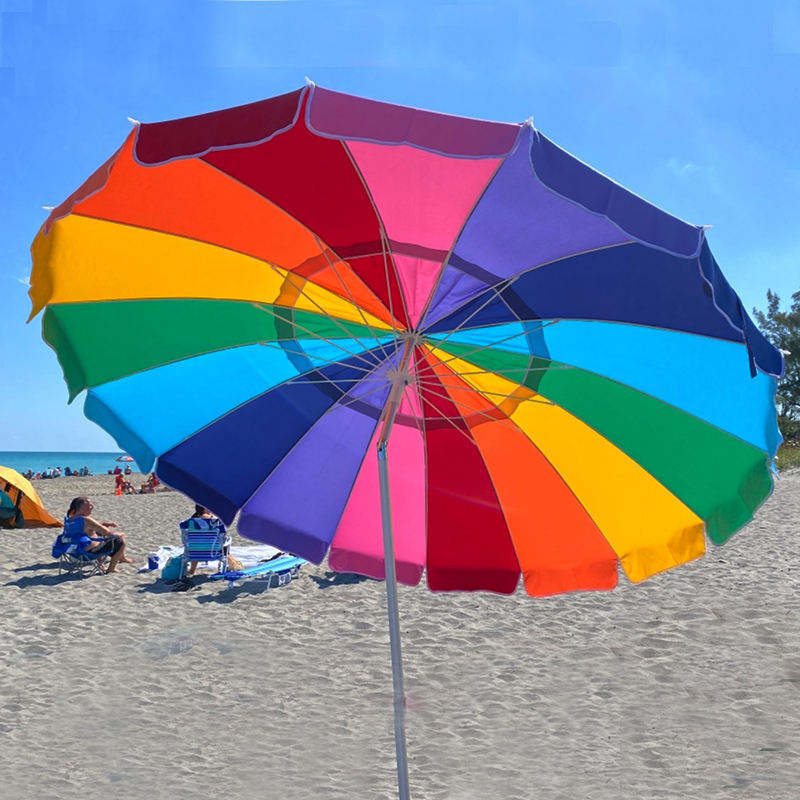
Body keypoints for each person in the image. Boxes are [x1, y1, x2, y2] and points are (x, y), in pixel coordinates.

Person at [65, 496, 134, 573]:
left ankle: (112, 560)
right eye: (89, 505)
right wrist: (120, 534)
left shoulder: (70, 519)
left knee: (98, 535)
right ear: (81, 508)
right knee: (120, 541)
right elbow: (108, 533)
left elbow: (90, 527)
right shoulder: (86, 520)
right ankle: (111, 569)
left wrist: (104, 524)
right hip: (88, 553)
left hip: (74, 552)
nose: (92, 507)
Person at [186, 504, 227, 577]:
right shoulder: (216, 520)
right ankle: (229, 567)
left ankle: (192, 569)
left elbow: (186, 536)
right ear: (204, 508)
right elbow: (224, 536)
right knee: (225, 543)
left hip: (194, 552)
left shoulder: (191, 521)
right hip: (213, 552)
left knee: (198, 544)